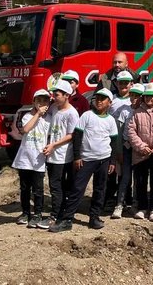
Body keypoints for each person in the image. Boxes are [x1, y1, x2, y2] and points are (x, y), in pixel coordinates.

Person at [50, 88, 118, 232]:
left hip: (104, 160)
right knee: (77, 189)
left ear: (109, 103)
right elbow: (77, 137)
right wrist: (77, 157)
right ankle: (67, 219)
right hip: (86, 160)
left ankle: (94, 217)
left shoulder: (111, 120)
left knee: (100, 189)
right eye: (97, 98)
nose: (99, 101)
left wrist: (112, 161)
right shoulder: (86, 116)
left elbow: (114, 142)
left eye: (103, 99)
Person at [127, 82, 153, 222]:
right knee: (140, 181)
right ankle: (142, 207)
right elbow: (131, 131)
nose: (148, 99)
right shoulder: (137, 112)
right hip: (141, 154)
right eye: (146, 96)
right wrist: (141, 146)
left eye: (152, 96)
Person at [41, 80, 80, 230]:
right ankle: (59, 212)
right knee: (55, 186)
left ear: (66, 95)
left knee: (58, 186)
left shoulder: (71, 113)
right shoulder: (54, 108)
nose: (54, 97)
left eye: (57, 95)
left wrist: (53, 145)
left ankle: (55, 215)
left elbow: (71, 135)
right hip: (52, 154)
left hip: (63, 156)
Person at [11, 89, 51, 228]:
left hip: (39, 159)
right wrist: (38, 114)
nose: (42, 103)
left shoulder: (49, 119)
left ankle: (38, 213)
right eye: (39, 100)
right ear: (34, 102)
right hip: (25, 158)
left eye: (45, 100)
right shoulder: (27, 116)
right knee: (24, 187)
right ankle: (25, 212)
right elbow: (25, 129)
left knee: (38, 189)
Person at [111, 82, 143, 219]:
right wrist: (118, 150)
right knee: (125, 176)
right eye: (132, 95)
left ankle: (136, 203)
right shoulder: (124, 110)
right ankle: (120, 203)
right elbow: (118, 131)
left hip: (140, 148)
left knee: (139, 177)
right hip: (126, 147)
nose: (134, 98)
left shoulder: (143, 111)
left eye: (137, 96)